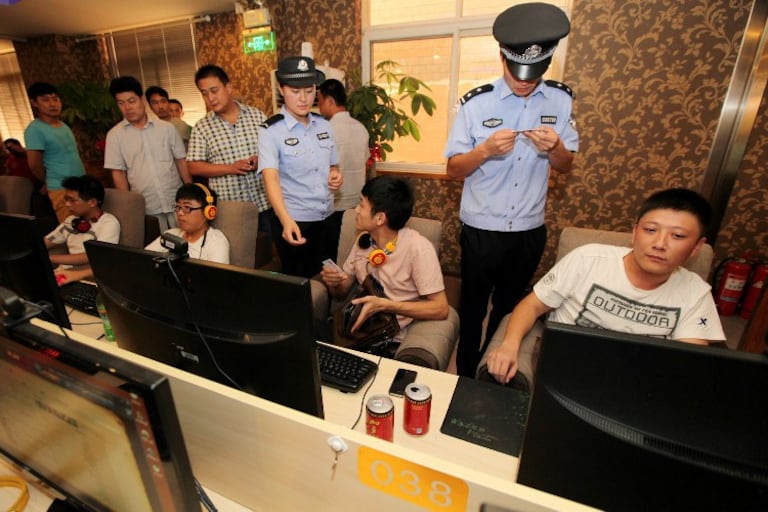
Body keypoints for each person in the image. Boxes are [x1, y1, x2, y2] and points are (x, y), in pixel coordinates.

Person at [444, 3, 578, 377]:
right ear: (502, 56)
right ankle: (466, 372)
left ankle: (492, 371)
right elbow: (453, 170)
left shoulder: (560, 100)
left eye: (533, 75)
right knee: (473, 308)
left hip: (527, 231)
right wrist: (485, 151)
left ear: (547, 64)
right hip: (481, 230)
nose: (523, 81)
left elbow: (568, 165)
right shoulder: (476, 103)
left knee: (508, 310)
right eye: (515, 71)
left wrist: (556, 149)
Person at [485, 188, 726, 385]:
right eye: (651, 230)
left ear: (696, 247)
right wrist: (509, 345)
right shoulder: (587, 259)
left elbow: (688, 362)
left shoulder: (695, 293)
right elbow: (532, 305)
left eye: (678, 236)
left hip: (638, 386)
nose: (660, 244)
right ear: (635, 232)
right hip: (563, 373)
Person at [321, 176, 456, 367]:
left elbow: (440, 308)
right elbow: (342, 292)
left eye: (361, 205)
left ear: (380, 218)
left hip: (387, 340)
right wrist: (335, 282)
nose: (356, 211)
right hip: (356, 329)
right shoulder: (364, 241)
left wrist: (385, 305)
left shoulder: (418, 248)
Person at [258, 56, 343, 278]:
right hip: (296, 221)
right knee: (301, 283)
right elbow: (271, 179)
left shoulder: (324, 125)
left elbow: (333, 165)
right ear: (281, 88)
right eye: (295, 91)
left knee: (329, 278)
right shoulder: (270, 131)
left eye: (309, 89)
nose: (304, 98)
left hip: (327, 217)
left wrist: (335, 174)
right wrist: (286, 221)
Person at [187, 65, 272, 243]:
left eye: (214, 90)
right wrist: (230, 168)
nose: (210, 98)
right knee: (236, 258)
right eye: (204, 93)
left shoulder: (257, 116)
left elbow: (274, 151)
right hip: (230, 210)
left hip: (265, 203)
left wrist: (260, 159)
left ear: (228, 87)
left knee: (271, 254)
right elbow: (194, 166)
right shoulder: (202, 127)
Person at [105, 76, 191, 232]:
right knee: (156, 251)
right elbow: (118, 173)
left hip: (177, 202)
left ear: (142, 99)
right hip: (146, 207)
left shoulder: (167, 129)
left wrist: (190, 192)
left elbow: (181, 161)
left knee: (188, 245)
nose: (127, 108)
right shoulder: (114, 136)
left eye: (131, 101)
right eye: (121, 103)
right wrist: (128, 206)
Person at [317, 78, 370, 252]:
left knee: (331, 252)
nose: (318, 107)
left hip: (332, 206)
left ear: (330, 101)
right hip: (356, 205)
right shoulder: (361, 128)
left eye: (319, 100)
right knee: (351, 252)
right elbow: (365, 163)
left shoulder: (324, 130)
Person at [23, 82, 86, 222]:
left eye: (55, 99)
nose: (52, 104)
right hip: (61, 189)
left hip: (81, 185)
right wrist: (48, 181)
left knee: (90, 228)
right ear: (34, 103)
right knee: (72, 229)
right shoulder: (34, 130)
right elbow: (34, 165)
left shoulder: (64, 126)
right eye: (45, 100)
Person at [44, 175, 120, 284]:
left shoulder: (108, 223)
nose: (67, 204)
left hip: (87, 279)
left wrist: (51, 258)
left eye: (73, 200)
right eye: (66, 199)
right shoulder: (71, 221)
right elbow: (45, 242)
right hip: (62, 274)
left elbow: (94, 256)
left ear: (92, 202)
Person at [145, 183, 230, 264]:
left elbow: (218, 278)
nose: (180, 213)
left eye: (187, 207)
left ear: (208, 212)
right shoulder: (170, 235)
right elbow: (142, 259)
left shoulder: (216, 241)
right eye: (178, 207)